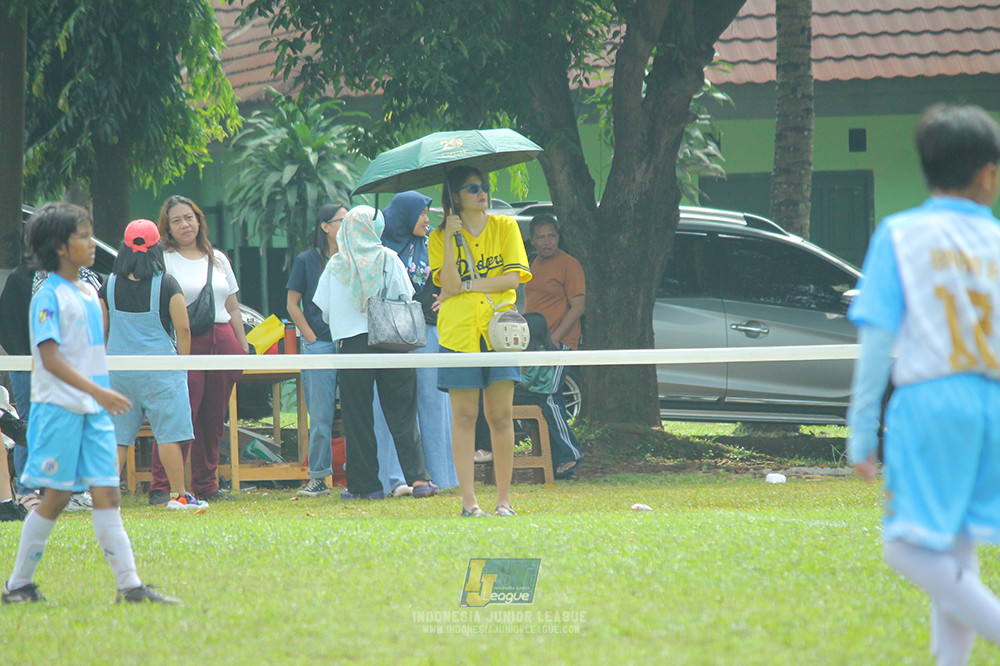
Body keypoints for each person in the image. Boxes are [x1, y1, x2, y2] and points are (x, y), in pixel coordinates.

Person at [847, 103, 1000, 665]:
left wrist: (861, 430)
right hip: (991, 404)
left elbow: (876, 342)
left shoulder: (902, 234)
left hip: (931, 404)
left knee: (904, 550)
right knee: (955, 547)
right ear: (987, 174)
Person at [2, 203, 178, 604]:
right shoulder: (47, 296)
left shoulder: (87, 290)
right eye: (83, 235)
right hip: (60, 411)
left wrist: (100, 394)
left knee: (107, 494)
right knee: (57, 497)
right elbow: (48, 358)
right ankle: (18, 586)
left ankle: (130, 587)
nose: (92, 243)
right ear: (60, 247)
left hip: (95, 413)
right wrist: (98, 391)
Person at [312, 205, 440, 500]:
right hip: (391, 342)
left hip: (352, 347)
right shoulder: (389, 258)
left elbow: (326, 310)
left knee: (357, 418)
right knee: (403, 413)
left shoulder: (336, 265)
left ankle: (366, 486)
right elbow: (406, 297)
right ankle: (420, 480)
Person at [429, 166, 531, 517]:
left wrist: (473, 285)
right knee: (465, 415)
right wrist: (451, 238)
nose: (481, 193)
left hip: (500, 331)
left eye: (483, 187)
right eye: (472, 189)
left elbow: (513, 279)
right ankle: (469, 502)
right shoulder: (440, 236)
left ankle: (504, 500)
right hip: (459, 334)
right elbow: (450, 285)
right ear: (455, 196)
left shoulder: (506, 227)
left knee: (501, 415)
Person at [98, 219, 206, 512]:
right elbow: (183, 329)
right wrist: (182, 365)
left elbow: (102, 329)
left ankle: (104, 498)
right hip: (161, 370)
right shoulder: (167, 283)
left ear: (124, 248)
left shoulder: (108, 284)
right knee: (169, 435)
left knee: (119, 438)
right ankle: (179, 496)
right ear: (157, 248)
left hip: (119, 370)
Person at [151, 195, 248, 504]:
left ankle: (207, 484)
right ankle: (161, 486)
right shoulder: (162, 260)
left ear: (199, 220)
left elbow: (233, 308)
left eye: (189, 217)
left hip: (223, 341)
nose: (185, 224)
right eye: (176, 220)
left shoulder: (217, 258)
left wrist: (243, 349)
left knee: (213, 417)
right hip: (185, 341)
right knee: (178, 414)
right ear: (167, 227)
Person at [0, 253, 99, 514]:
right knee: (27, 425)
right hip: (30, 365)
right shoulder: (22, 277)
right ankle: (26, 492)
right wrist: (25, 356)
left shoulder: (77, 276)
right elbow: (8, 323)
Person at [376, 191, 458, 492]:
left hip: (429, 331)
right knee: (392, 405)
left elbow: (451, 279)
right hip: (391, 335)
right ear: (405, 215)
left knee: (433, 403)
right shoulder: (380, 247)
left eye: (427, 213)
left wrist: (448, 296)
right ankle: (394, 478)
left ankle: (439, 475)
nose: (427, 219)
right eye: (422, 213)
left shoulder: (431, 245)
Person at [286, 203, 347, 497]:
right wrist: (310, 337)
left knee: (358, 412)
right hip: (319, 344)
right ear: (325, 226)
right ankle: (319, 477)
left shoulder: (353, 258)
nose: (347, 225)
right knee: (320, 417)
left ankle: (359, 472)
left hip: (351, 343)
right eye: (342, 220)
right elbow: (291, 304)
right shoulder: (306, 260)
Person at [515, 313, 584, 479]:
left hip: (540, 394)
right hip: (534, 392)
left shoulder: (539, 353)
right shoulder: (535, 350)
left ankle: (573, 453)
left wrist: (512, 380)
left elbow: (529, 380)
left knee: (556, 421)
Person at [524, 214, 585, 350]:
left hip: (558, 342)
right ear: (532, 240)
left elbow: (578, 306)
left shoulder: (569, 264)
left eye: (551, 236)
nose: (547, 242)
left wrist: (554, 338)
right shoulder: (533, 264)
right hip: (534, 342)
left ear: (558, 237)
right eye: (541, 237)